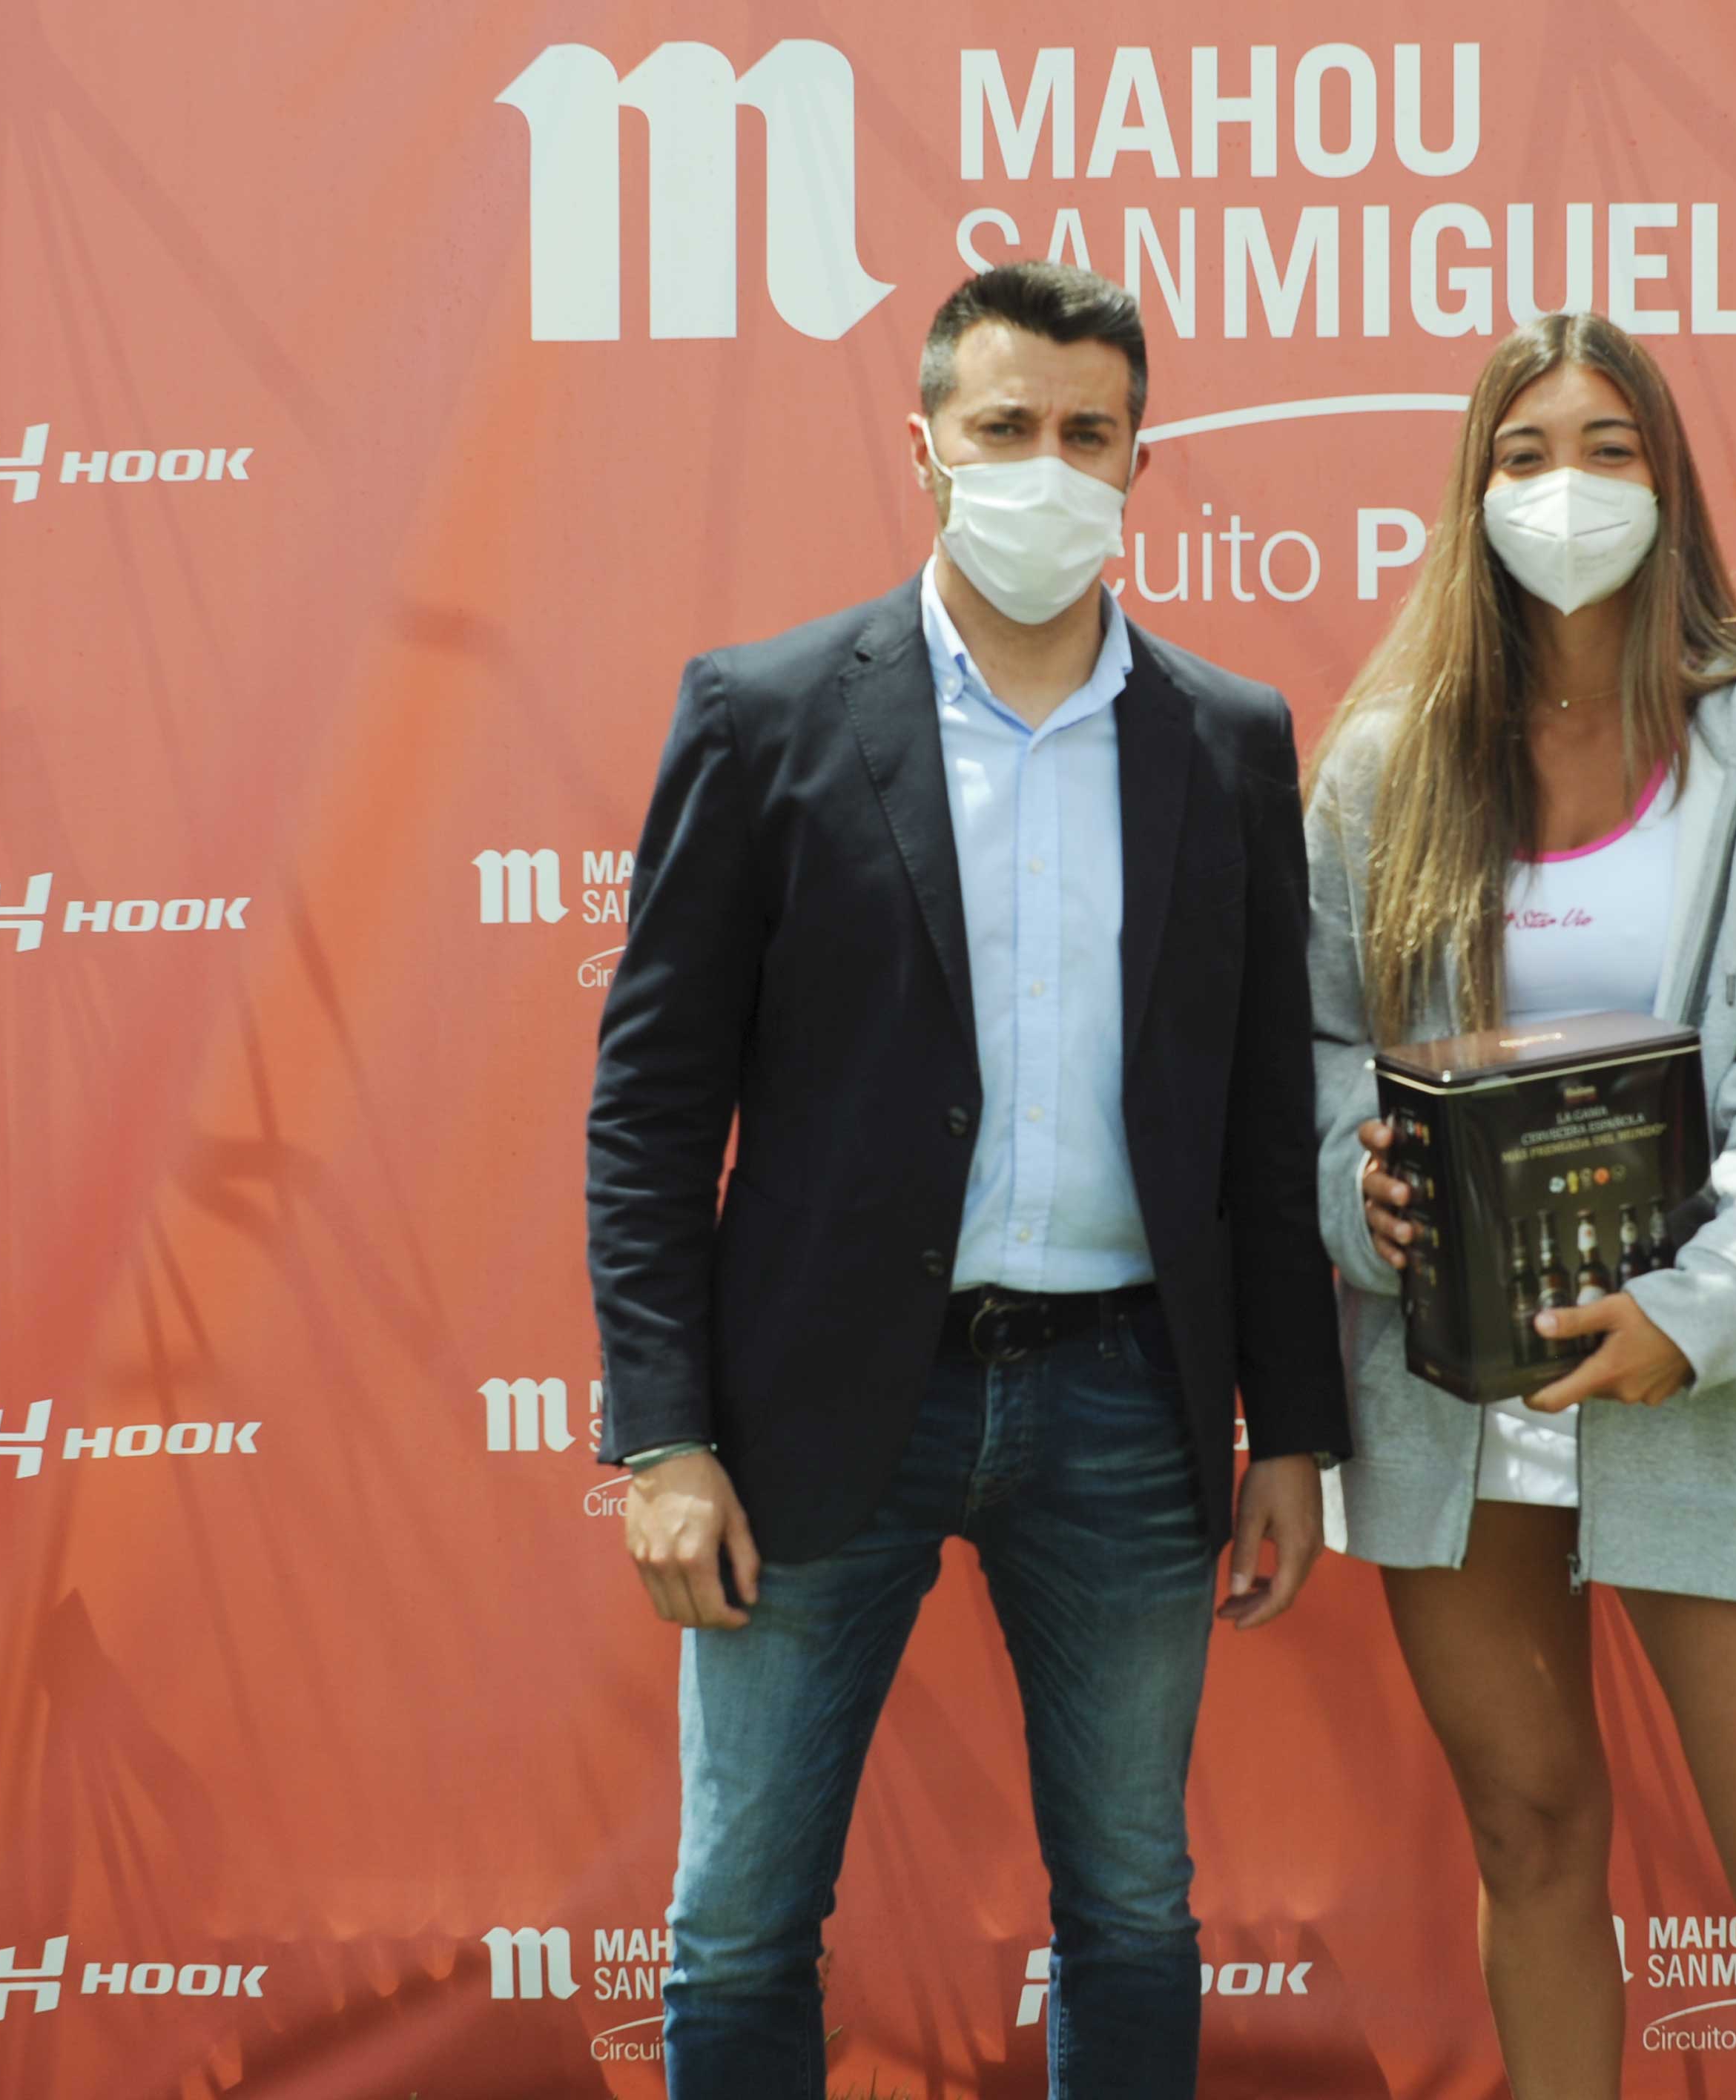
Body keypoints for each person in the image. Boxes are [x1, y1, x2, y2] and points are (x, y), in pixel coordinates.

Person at [587, 260, 1348, 2100]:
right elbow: (651, 1107)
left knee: (1132, 1907)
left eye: (1089, 432)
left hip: (1127, 1403)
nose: (1046, 466)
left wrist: (1294, 1434)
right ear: (923, 445)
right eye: (1005, 426)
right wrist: (662, 1437)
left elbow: (1265, 1118)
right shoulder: (765, 715)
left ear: (1142, 461)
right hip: (819, 1399)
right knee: (741, 1918)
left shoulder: (1227, 738)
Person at [1304, 311, 1736, 2099]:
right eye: (1524, 454)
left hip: (1692, 1387)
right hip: (1451, 1412)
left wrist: (1700, 1312)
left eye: (1608, 449)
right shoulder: (1384, 762)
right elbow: (1314, 1052)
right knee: (1528, 1844)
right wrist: (1360, 1189)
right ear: (1472, 490)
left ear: (1668, 485)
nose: (1566, 489)